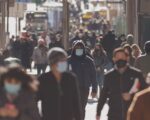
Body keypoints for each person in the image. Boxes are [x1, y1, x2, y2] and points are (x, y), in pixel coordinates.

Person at [96, 48, 147, 120]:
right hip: (114, 115)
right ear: (113, 59)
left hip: (133, 114)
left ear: (127, 58)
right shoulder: (109, 76)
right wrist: (98, 112)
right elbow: (103, 95)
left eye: (122, 57)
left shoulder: (136, 74)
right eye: (117, 57)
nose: (120, 60)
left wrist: (132, 96)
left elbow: (145, 92)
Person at [37, 47, 82, 120]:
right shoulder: (43, 80)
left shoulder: (71, 78)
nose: (64, 64)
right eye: (61, 61)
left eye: (65, 61)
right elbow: (33, 101)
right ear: (52, 62)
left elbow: (76, 102)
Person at [68, 40, 97, 119]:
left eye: (80, 48)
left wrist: (94, 89)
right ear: (73, 49)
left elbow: (93, 75)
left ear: (83, 49)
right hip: (70, 89)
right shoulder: (68, 60)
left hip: (84, 88)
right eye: (76, 48)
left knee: (81, 108)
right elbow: (60, 73)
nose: (78, 50)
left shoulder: (89, 61)